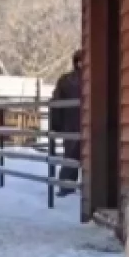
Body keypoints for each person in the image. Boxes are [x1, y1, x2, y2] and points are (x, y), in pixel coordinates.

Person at [50, 49, 82, 196]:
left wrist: (55, 125)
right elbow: (57, 103)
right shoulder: (94, 78)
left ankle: (66, 187)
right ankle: (67, 187)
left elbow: (56, 103)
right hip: (76, 123)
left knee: (71, 156)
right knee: (74, 156)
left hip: (71, 124)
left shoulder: (66, 79)